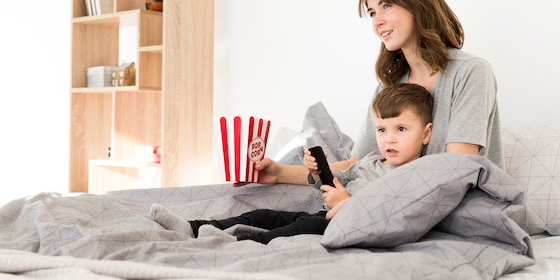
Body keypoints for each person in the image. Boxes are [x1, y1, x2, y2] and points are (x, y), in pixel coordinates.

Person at [252, 0, 503, 211]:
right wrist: (280, 172)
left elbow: (454, 170)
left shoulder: (471, 72)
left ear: (419, 4)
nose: (377, 22)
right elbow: (359, 164)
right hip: (396, 210)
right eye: (372, 12)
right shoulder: (389, 85)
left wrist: (363, 208)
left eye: (386, 5)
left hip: (458, 212)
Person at [150, 83, 433, 244]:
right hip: (324, 216)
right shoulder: (371, 160)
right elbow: (340, 180)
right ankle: (194, 227)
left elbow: (395, 214)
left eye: (401, 130)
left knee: (292, 231)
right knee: (263, 215)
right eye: (382, 130)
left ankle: (239, 243)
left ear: (426, 133)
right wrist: (316, 172)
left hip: (345, 227)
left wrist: (347, 202)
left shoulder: (417, 175)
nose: (389, 139)